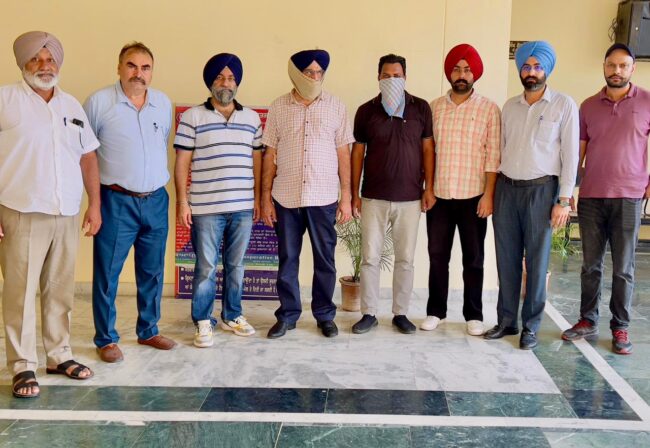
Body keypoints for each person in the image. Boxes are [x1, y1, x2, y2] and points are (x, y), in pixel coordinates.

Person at [0, 31, 100, 398]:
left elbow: (88, 157)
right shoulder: (5, 100)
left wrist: (95, 204)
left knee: (59, 290)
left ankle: (59, 355)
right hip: (21, 211)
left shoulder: (71, 105)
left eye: (51, 59)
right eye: (37, 58)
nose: (45, 65)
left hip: (66, 211)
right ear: (23, 63)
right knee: (20, 293)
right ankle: (22, 365)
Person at [84, 42, 175, 363]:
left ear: (152, 71)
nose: (139, 73)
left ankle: (148, 330)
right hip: (115, 201)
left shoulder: (163, 103)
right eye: (132, 65)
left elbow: (161, 143)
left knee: (152, 271)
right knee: (107, 273)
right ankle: (106, 338)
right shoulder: (99, 102)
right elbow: (86, 154)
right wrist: (93, 204)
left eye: (145, 67)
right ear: (119, 68)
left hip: (155, 200)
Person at [484, 41, 578, 349]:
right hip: (507, 190)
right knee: (506, 258)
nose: (531, 72)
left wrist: (563, 199)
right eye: (526, 66)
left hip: (541, 191)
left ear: (547, 69)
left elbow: (570, 155)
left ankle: (531, 327)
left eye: (537, 67)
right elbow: (500, 150)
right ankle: (507, 321)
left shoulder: (563, 105)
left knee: (537, 262)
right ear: (520, 70)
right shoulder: (509, 106)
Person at [561, 43, 650, 355]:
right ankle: (587, 320)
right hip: (592, 197)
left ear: (632, 69)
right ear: (604, 66)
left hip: (629, 197)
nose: (617, 71)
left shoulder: (647, 101)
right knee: (590, 265)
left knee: (623, 268)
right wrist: (568, 191)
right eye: (611, 65)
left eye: (623, 65)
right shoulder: (587, 106)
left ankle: (620, 327)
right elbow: (578, 153)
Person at [261, 49, 354, 339]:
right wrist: (265, 197)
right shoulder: (278, 107)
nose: (314, 77)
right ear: (296, 74)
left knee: (325, 260)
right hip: (286, 197)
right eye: (308, 72)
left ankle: (324, 315)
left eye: (319, 73)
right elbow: (269, 154)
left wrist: (347, 196)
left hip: (323, 197)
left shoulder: (336, 106)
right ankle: (288, 315)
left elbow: (344, 153)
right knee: (288, 259)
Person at [174, 53, 263, 347]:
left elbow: (258, 161)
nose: (226, 83)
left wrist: (257, 199)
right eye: (220, 77)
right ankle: (203, 320)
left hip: (242, 208)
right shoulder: (192, 117)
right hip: (205, 208)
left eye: (231, 78)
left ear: (237, 83)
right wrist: (183, 202)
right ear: (211, 82)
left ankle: (232, 315)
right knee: (206, 267)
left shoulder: (251, 119)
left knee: (236, 265)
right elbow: (182, 163)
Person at [350, 54, 434, 335]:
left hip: (410, 198)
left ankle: (401, 313)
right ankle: (369, 313)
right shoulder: (366, 111)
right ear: (378, 77)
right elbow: (357, 153)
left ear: (405, 77)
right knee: (370, 258)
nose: (391, 80)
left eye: (397, 76)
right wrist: (354, 193)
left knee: (405, 259)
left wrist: (429, 188)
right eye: (386, 76)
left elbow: (427, 150)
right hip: (373, 196)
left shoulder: (420, 108)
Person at [422, 44, 501, 336]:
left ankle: (474, 314)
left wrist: (488, 195)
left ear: (475, 73)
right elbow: (427, 152)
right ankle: (435, 311)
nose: (462, 74)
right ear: (449, 72)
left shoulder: (489, 109)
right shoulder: (434, 108)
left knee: (474, 259)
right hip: (439, 195)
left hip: (474, 197)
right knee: (437, 256)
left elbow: (493, 155)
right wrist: (427, 188)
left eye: (467, 69)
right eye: (456, 68)